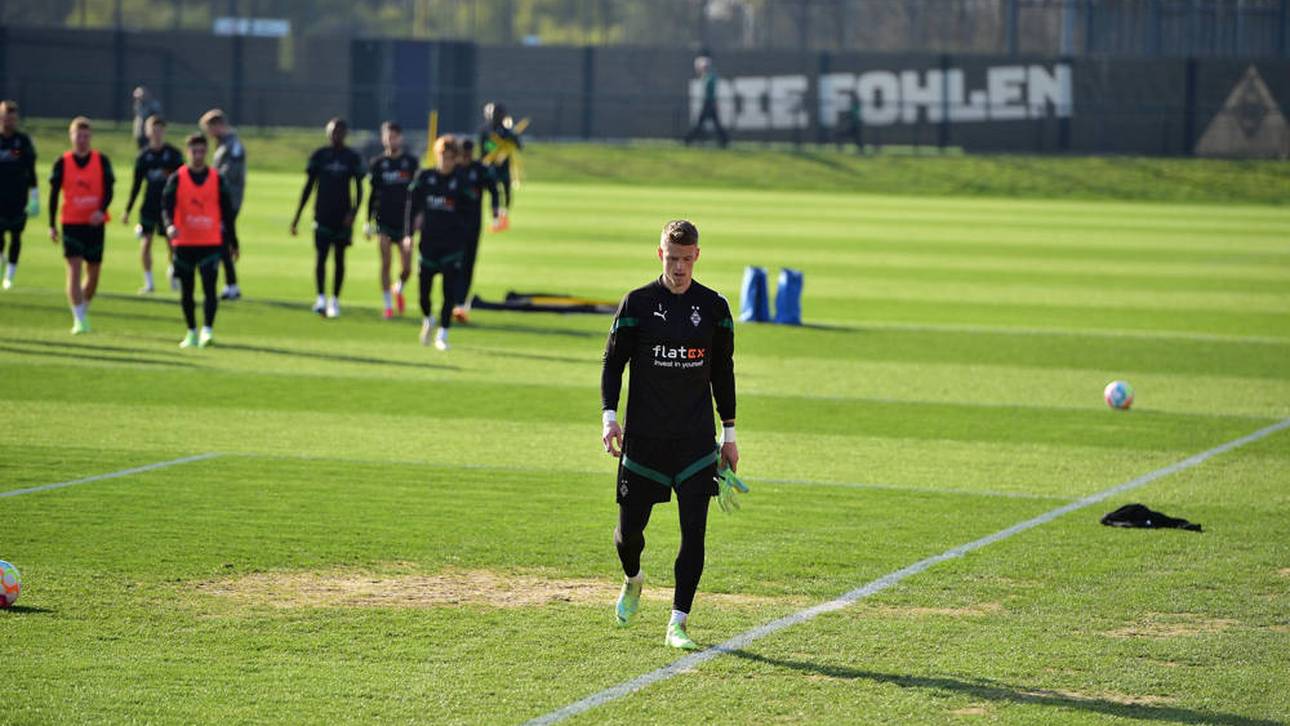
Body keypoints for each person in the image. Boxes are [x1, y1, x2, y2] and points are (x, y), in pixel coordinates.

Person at [600, 219, 738, 651]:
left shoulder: (714, 308)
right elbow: (612, 363)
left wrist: (729, 434)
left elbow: (723, 372)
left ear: (697, 256)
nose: (679, 267)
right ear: (660, 254)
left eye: (686, 259)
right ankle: (633, 578)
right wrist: (609, 418)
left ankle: (678, 622)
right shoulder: (637, 303)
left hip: (695, 443)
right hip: (644, 441)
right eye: (672, 258)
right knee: (628, 537)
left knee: (694, 533)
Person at [162, 133, 238, 348]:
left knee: (209, 288)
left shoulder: (217, 179)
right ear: (188, 152)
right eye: (194, 151)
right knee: (187, 290)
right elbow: (166, 206)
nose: (198, 155)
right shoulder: (177, 178)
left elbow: (227, 212)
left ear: (207, 152)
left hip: (210, 242)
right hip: (184, 243)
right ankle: (191, 331)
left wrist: (233, 241)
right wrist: (169, 225)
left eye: (202, 151)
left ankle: (207, 330)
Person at [290, 117, 363, 318]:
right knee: (321, 257)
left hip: (343, 217)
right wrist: (297, 217)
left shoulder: (352, 157)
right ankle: (321, 297)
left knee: (339, 258)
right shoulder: (320, 155)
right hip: (322, 214)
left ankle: (335, 300)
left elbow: (359, 189)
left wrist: (353, 212)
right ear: (327, 133)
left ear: (345, 134)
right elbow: (308, 187)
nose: (336, 135)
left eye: (339, 131)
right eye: (332, 131)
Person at [48, 117, 114, 335]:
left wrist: (101, 210)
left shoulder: (101, 161)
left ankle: (82, 309)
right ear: (72, 136)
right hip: (71, 223)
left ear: (90, 137)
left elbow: (109, 190)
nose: (82, 140)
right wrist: (51, 224)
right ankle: (79, 319)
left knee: (93, 274)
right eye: (79, 135)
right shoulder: (62, 162)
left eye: (86, 136)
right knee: (74, 269)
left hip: (95, 224)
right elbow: (54, 195)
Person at [404, 136, 466, 351]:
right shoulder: (425, 177)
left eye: (450, 158)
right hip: (428, 243)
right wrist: (408, 234)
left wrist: (462, 235)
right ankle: (428, 319)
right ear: (436, 155)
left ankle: (443, 334)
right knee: (423, 294)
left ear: (455, 159)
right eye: (442, 157)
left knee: (449, 292)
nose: (445, 162)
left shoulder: (461, 181)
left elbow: (469, 212)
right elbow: (412, 205)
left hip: (452, 246)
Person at [123, 115, 182, 293]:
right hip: (149, 205)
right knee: (146, 242)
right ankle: (149, 282)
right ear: (147, 132)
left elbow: (183, 181)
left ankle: (173, 271)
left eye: (160, 130)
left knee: (172, 243)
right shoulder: (143, 156)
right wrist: (127, 210)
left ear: (164, 131)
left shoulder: (173, 154)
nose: (157, 134)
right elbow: (136, 185)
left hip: (168, 206)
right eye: (153, 130)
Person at [365, 121, 418, 319]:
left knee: (407, 269)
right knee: (386, 262)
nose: (391, 140)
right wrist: (367, 221)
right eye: (388, 136)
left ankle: (399, 288)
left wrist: (419, 216)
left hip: (405, 222)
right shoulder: (378, 164)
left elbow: (418, 193)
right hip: (384, 220)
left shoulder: (410, 162)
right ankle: (388, 305)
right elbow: (373, 194)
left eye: (394, 136)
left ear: (400, 138)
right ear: (383, 138)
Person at [199, 109, 246, 300]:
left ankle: (230, 285)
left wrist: (207, 181)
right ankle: (231, 285)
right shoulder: (224, 144)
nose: (209, 134)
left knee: (222, 241)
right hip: (220, 200)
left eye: (209, 129)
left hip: (228, 201)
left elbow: (229, 174)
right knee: (222, 241)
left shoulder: (233, 146)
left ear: (218, 125)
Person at [451, 138, 498, 323]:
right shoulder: (453, 169)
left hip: (473, 225)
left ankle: (461, 303)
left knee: (468, 264)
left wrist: (495, 210)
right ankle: (453, 300)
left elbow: (493, 188)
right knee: (454, 263)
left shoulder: (479, 169)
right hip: (453, 225)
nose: (466, 159)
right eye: (463, 155)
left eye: (469, 155)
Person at [0, 100, 37, 290]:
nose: (9, 122)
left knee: (16, 236)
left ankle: (9, 275)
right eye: (6, 118)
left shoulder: (22, 141)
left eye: (12, 118)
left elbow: (31, 168)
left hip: (18, 197)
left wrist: (35, 195)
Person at [478, 102, 521, 228]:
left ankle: (504, 214)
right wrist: (495, 147)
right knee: (495, 191)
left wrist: (513, 137)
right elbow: (484, 148)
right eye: (496, 113)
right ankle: (495, 217)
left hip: (504, 166)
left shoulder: (508, 130)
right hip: (491, 166)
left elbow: (519, 146)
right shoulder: (486, 130)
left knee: (507, 190)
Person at [683, 55, 729, 148]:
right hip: (709, 103)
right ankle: (724, 140)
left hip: (709, 103)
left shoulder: (710, 77)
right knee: (714, 124)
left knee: (701, 124)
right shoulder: (710, 76)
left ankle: (688, 139)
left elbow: (709, 89)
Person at [131, 86, 163, 150]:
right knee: (141, 149)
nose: (140, 98)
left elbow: (157, 117)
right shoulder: (137, 104)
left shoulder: (153, 104)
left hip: (150, 132)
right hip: (140, 131)